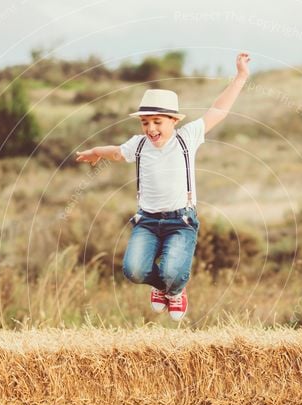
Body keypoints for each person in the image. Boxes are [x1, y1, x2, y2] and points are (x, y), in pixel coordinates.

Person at [76, 52, 251, 321]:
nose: (151, 128)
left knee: (172, 272)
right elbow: (116, 153)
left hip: (181, 221)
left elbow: (218, 110)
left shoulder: (188, 138)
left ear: (174, 121)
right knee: (133, 270)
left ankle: (175, 290)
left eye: (158, 122)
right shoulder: (139, 145)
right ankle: (161, 288)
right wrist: (96, 151)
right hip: (146, 221)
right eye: (146, 122)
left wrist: (240, 77)